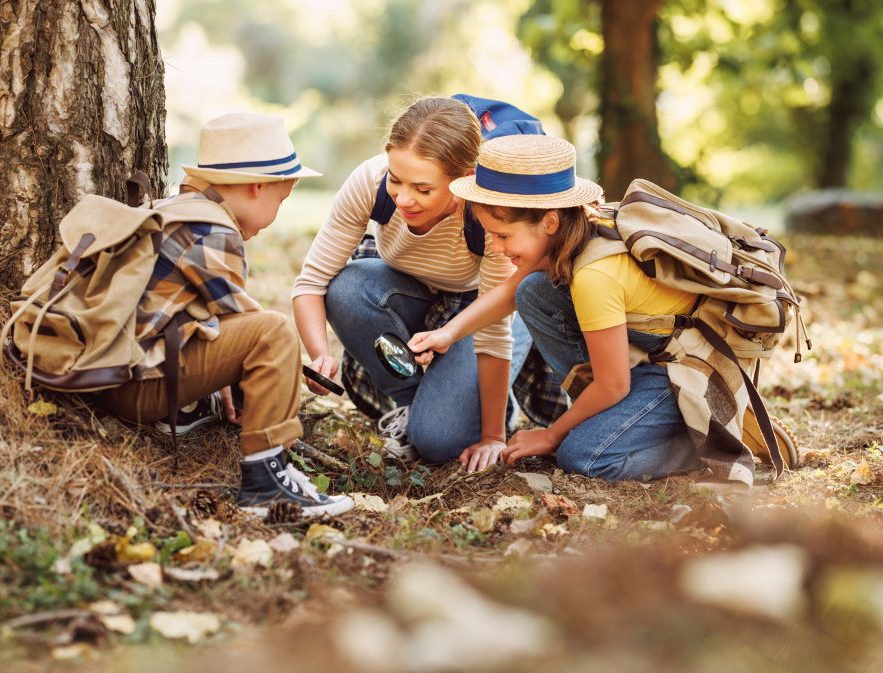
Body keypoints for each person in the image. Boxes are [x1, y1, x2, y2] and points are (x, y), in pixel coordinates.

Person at [95, 112, 354, 516]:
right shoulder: (215, 232)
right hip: (137, 387)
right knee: (274, 331)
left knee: (260, 333)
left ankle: (191, 408)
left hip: (112, 375)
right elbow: (249, 328)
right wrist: (289, 374)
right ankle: (267, 483)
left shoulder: (176, 208)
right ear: (256, 187)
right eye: (281, 200)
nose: (279, 211)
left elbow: (209, 318)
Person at [409, 134, 702, 480]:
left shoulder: (594, 276)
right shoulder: (571, 232)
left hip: (691, 372)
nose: (496, 248)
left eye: (503, 235)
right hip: (651, 361)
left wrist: (552, 434)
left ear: (549, 222)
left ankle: (705, 442)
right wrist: (447, 333)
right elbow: (509, 292)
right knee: (533, 291)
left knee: (582, 456)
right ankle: (608, 420)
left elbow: (613, 385)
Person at [292, 97, 535, 472]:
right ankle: (413, 404)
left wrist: (492, 436)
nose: (404, 198)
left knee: (437, 442)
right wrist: (319, 354)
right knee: (347, 287)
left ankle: (478, 407)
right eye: (396, 179)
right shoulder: (370, 182)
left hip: (482, 311)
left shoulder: (488, 211)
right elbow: (311, 282)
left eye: (423, 189)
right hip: (412, 296)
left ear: (465, 179)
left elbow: (494, 330)